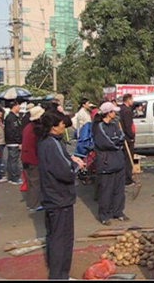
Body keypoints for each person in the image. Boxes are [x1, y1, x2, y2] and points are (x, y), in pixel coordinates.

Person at [36, 112, 86, 279]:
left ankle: (59, 273)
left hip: (52, 196)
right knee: (62, 240)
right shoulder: (52, 144)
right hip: (59, 198)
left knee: (54, 237)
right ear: (54, 126)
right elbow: (65, 171)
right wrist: (76, 165)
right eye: (61, 124)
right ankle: (59, 275)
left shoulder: (45, 142)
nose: (64, 126)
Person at [92, 102, 129, 226]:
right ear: (108, 113)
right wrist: (116, 142)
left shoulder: (115, 125)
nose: (115, 113)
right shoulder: (99, 127)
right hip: (106, 163)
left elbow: (121, 137)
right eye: (113, 111)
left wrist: (118, 141)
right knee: (106, 190)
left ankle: (118, 211)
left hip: (118, 161)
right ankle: (104, 215)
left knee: (119, 189)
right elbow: (106, 143)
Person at [21, 106, 46, 211]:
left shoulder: (27, 127)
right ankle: (35, 204)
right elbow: (37, 146)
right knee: (36, 182)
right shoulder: (36, 129)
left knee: (30, 182)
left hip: (25, 157)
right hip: (33, 159)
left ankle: (30, 203)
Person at [119, 93, 136, 186]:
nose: (132, 102)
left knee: (124, 158)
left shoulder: (120, 109)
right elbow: (128, 125)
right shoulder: (127, 111)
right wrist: (131, 136)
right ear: (128, 100)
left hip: (123, 136)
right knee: (128, 159)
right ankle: (128, 179)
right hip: (127, 138)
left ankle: (125, 177)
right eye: (131, 100)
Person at [5, 100, 23, 185]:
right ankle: (14, 177)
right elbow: (14, 131)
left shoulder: (12, 117)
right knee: (14, 160)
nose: (19, 107)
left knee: (11, 160)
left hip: (11, 141)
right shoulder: (12, 118)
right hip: (14, 142)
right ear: (14, 106)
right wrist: (19, 142)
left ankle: (11, 177)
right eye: (18, 105)